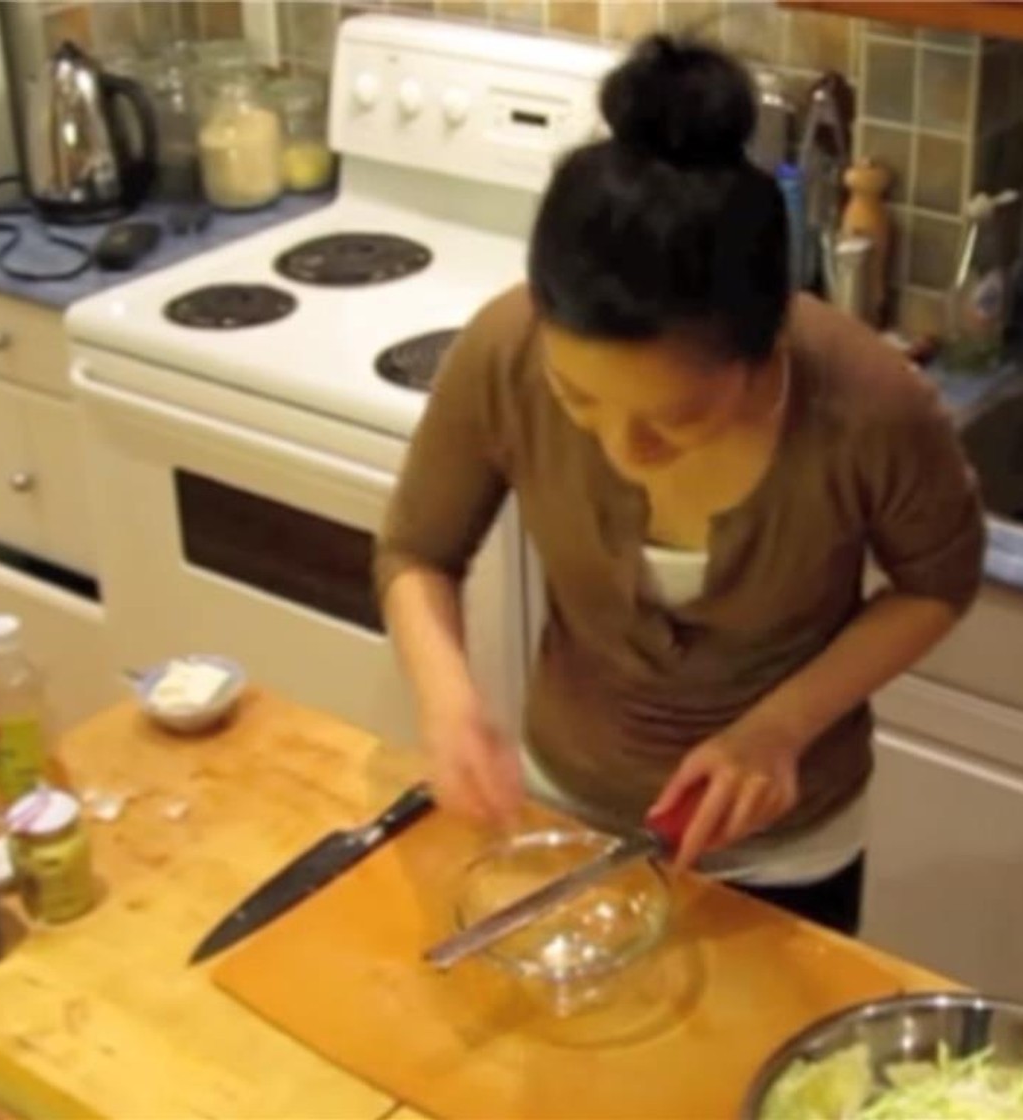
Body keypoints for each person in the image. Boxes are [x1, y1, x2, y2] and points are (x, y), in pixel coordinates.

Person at [375, 34, 985, 935]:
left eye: (673, 418)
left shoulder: (871, 407)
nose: (624, 448)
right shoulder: (503, 351)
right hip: (565, 802)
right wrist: (449, 701)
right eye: (579, 399)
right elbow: (417, 551)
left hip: (786, 844)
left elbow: (940, 581)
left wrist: (779, 727)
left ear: (766, 343)